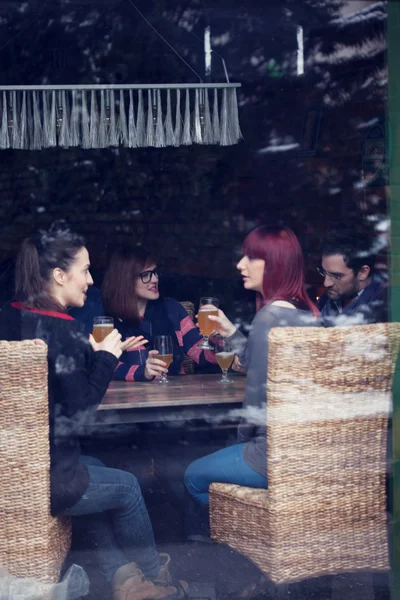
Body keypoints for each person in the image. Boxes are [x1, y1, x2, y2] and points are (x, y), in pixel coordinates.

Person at [0, 221, 187, 600]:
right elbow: (80, 413)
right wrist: (105, 356)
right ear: (58, 275)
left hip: (12, 467)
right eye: (84, 270)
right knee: (128, 487)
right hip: (46, 478)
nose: (89, 280)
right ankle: (156, 581)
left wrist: (85, 350)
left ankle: (122, 578)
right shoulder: (62, 329)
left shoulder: (9, 315)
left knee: (97, 467)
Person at [184, 225, 319, 541]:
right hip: (306, 452)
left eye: (251, 257)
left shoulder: (269, 317)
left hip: (270, 455)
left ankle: (237, 552)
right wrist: (232, 331)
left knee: (191, 476)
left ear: (274, 264)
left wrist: (237, 444)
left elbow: (256, 405)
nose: (239, 265)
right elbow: (262, 364)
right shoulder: (308, 314)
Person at [101, 245, 217, 382]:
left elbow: (201, 355)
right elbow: (103, 365)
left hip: (176, 394)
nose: (155, 279)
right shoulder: (108, 321)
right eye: (145, 275)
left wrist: (218, 339)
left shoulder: (172, 309)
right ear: (125, 280)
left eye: (154, 272)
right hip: (129, 400)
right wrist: (142, 372)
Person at [317, 228, 388, 325]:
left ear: (363, 272)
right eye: (324, 272)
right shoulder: (328, 297)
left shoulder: (383, 309)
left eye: (336, 276)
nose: (326, 283)